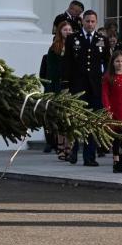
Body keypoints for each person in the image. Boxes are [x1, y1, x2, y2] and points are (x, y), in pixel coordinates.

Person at [63, 10, 110, 166]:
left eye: (93, 21)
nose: (90, 24)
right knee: (77, 121)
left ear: (96, 22)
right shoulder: (72, 39)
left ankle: (90, 157)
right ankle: (73, 152)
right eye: (87, 21)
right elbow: (67, 64)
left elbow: (107, 63)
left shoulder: (102, 39)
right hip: (78, 87)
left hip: (95, 88)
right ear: (82, 21)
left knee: (92, 122)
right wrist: (67, 87)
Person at [42, 21, 73, 160]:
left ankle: (69, 146)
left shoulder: (75, 46)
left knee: (70, 119)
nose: (68, 32)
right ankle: (61, 147)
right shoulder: (54, 48)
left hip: (72, 87)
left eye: (70, 29)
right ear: (60, 31)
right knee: (61, 119)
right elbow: (51, 72)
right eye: (65, 29)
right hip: (59, 87)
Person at [101, 51, 122, 174]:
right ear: (113, 62)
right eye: (117, 61)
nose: (120, 63)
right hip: (115, 112)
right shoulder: (108, 77)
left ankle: (120, 154)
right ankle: (117, 163)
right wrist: (107, 110)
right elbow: (105, 95)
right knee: (116, 138)